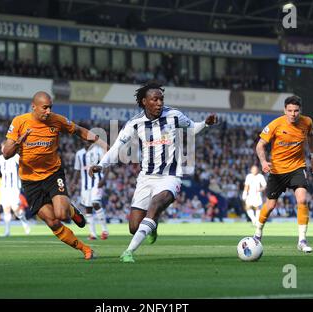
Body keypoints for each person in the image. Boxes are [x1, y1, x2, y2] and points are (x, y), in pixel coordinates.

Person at [89, 81, 218, 262]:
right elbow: (117, 147)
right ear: (144, 102)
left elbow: (191, 128)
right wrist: (101, 165)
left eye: (161, 99)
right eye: (154, 99)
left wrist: (205, 123)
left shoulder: (174, 116)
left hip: (170, 176)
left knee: (156, 205)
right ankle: (153, 225)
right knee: (134, 226)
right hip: (146, 178)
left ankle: (128, 252)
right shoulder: (135, 123)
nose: (159, 103)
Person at [2, 91, 107, 260]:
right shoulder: (19, 122)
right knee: (52, 222)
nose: (48, 111)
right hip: (30, 181)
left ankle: (71, 211)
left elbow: (79, 130)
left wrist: (102, 143)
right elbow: (6, 154)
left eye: (50, 107)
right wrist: (18, 142)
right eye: (45, 108)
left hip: (52, 174)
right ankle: (85, 249)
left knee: (62, 215)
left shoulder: (57, 120)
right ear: (34, 107)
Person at [253, 95, 313, 253]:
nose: (293, 114)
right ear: (284, 110)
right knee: (270, 205)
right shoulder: (275, 124)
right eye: (290, 110)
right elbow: (260, 146)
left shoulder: (307, 122)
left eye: (296, 111)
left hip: (297, 167)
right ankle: (258, 233)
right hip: (278, 170)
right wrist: (263, 162)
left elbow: (311, 136)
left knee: (302, 200)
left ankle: (302, 240)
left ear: (300, 110)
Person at [73, 140, 109, 240]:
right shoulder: (79, 154)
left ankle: (105, 231)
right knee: (88, 208)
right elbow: (77, 170)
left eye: (90, 141)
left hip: (97, 182)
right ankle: (93, 234)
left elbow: (107, 166)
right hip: (85, 185)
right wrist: (74, 183)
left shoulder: (99, 151)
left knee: (95, 203)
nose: (88, 142)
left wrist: (104, 179)